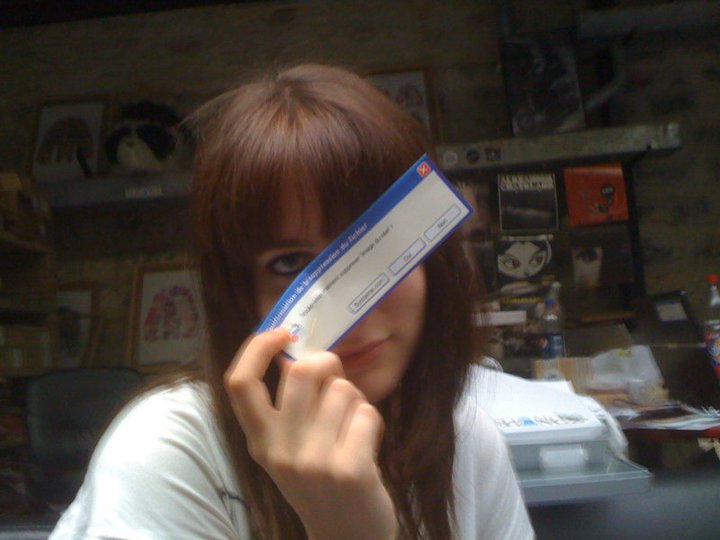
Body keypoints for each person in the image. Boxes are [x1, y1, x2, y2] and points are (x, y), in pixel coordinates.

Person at [51, 64, 534, 539]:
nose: (354, 314)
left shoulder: (467, 438)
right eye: (289, 264)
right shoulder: (165, 453)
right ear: (239, 295)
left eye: (381, 250)